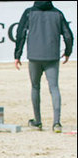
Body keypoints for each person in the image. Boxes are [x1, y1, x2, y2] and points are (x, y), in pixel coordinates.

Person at [14, 1, 73, 133]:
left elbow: (20, 33)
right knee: (54, 87)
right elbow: (68, 35)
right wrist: (68, 52)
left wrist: (17, 55)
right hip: (52, 56)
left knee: (35, 87)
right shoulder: (57, 13)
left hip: (34, 56)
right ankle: (57, 122)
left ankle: (38, 121)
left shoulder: (29, 12)